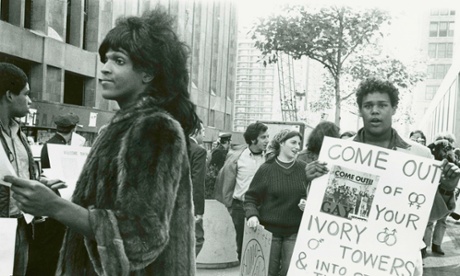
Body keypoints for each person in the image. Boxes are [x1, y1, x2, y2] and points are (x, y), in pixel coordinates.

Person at [5, 7, 199, 275]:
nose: (105, 69)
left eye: (119, 61)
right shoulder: (122, 127)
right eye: (106, 59)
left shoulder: (154, 128)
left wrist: (54, 205)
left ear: (148, 73)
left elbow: (140, 239)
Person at [305, 78, 460, 276]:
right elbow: (327, 216)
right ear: (360, 110)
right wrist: (312, 183)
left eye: (382, 105)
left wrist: (446, 188)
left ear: (394, 108)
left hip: (397, 260)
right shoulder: (339, 155)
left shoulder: (419, 156)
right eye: (368, 105)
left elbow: (429, 216)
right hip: (348, 258)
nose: (375, 111)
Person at [244, 130, 308, 276]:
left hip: (294, 231)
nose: (297, 146)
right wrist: (252, 215)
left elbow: (314, 196)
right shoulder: (266, 169)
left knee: (290, 271)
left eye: (299, 143)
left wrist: (308, 205)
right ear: (281, 143)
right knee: (267, 272)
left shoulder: (304, 169)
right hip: (269, 232)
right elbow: (251, 198)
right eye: (293, 142)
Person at [214, 122, 269, 261]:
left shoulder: (269, 158)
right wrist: (230, 204)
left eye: (268, 137)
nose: (267, 140)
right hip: (240, 207)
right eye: (263, 137)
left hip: (265, 207)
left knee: (263, 247)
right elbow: (224, 179)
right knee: (243, 245)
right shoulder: (237, 157)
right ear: (252, 139)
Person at [0, 62, 35, 276]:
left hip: (22, 225)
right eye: (26, 93)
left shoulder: (19, 133)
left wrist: (39, 183)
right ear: (9, 95)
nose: (30, 100)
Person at [423, 133, 458, 256]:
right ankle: (424, 246)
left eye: (449, 142)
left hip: (446, 192)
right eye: (444, 142)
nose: (446, 145)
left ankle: (437, 244)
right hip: (432, 190)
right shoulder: (432, 152)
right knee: (428, 220)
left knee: (442, 220)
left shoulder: (453, 156)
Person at [189, 122, 207, 256]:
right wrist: (199, 210)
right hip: (190, 204)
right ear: (196, 131)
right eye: (203, 130)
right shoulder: (198, 151)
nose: (204, 134)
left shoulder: (174, 146)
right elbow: (197, 182)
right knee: (197, 239)